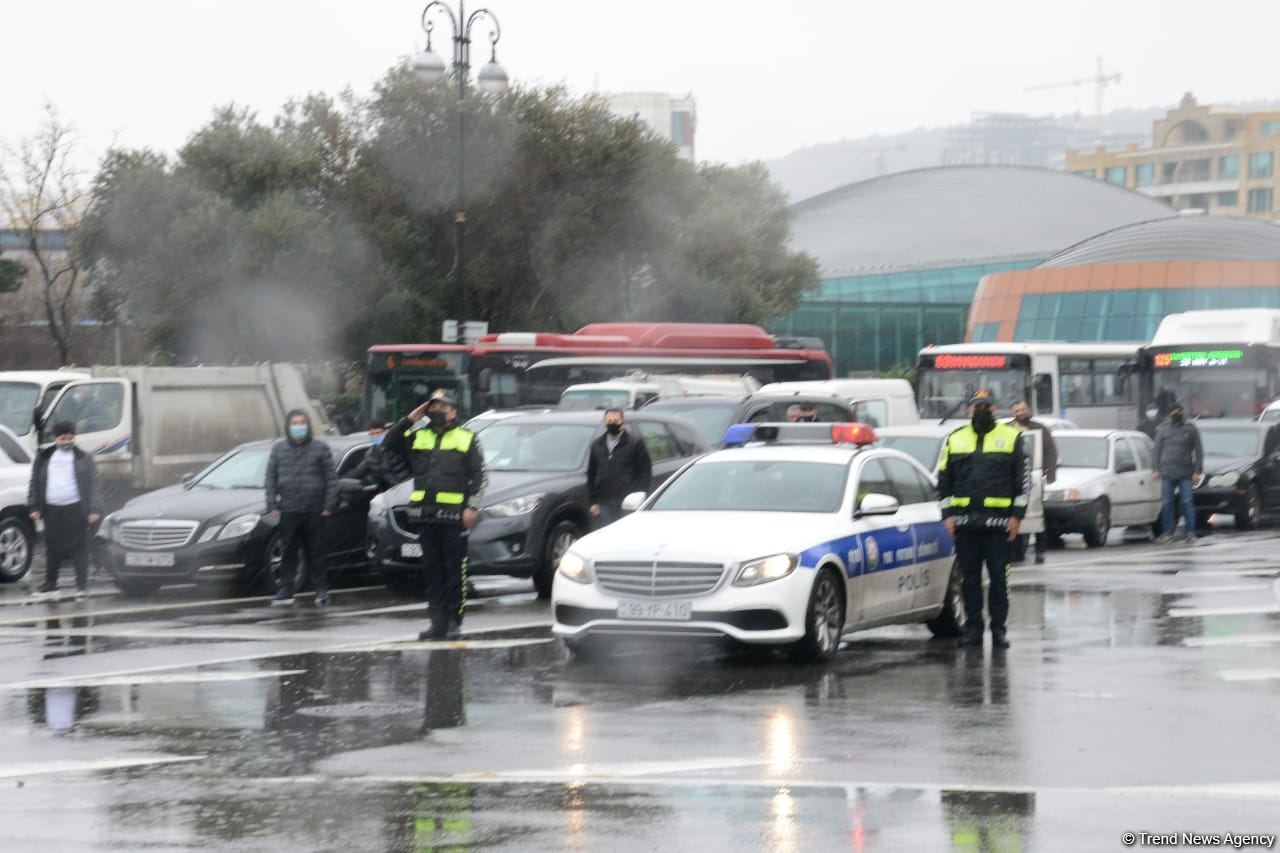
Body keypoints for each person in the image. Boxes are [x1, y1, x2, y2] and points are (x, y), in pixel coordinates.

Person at [383, 389, 486, 640]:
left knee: (455, 572)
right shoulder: (419, 436)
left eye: (443, 407)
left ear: (453, 412)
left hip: (453, 517)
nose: (437, 412)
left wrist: (471, 507)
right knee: (432, 573)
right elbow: (389, 442)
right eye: (433, 407)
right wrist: (409, 419)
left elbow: (479, 477)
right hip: (425, 516)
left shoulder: (467, 438)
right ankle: (436, 623)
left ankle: (453, 622)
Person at [936, 389, 1030, 649]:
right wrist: (947, 516)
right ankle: (973, 629)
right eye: (977, 407)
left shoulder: (1012, 437)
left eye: (986, 407)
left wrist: (1017, 517)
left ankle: (998, 630)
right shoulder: (955, 439)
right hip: (965, 526)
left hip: (999, 526)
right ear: (969, 410)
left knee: (1000, 580)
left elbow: (1022, 482)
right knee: (970, 582)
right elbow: (944, 481)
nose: (981, 411)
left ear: (995, 409)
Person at [264, 409, 337, 607]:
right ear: (288, 426)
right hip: (289, 509)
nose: (299, 426)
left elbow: (331, 479)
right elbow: (270, 477)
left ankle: (321, 589)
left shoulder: (320, 448)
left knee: (317, 551)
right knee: (288, 551)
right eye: (295, 423)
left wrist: (329, 504)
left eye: (302, 423)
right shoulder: (278, 449)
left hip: (315, 509)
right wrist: (271, 502)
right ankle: (286, 588)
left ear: (308, 425)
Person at [27, 422, 101, 600]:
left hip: (75, 508)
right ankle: (51, 584)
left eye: (70, 438)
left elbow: (94, 483)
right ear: (55, 438)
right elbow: (35, 482)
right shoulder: (44, 457)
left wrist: (94, 509)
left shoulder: (83, 457)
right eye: (62, 438)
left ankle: (81, 586)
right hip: (51, 510)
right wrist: (34, 506)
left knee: (79, 548)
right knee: (52, 548)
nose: (66, 441)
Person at [587, 408, 652, 530]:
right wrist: (592, 502)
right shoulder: (596, 444)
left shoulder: (634, 443)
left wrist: (640, 497)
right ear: (604, 422)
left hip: (628, 502)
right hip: (604, 502)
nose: (612, 423)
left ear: (623, 422)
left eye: (616, 420)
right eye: (609, 420)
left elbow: (645, 472)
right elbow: (591, 474)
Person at [1010, 399, 1057, 565]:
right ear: (1013, 413)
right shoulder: (1008, 430)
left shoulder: (1040, 429)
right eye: (1017, 411)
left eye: (1023, 409)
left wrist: (1049, 474)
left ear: (1028, 409)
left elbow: (1051, 452)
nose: (1020, 413)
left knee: (1037, 516)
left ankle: (1040, 551)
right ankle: (1016, 552)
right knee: (1016, 515)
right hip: (1014, 482)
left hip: (1035, 480)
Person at [1152, 401, 1203, 543]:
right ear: (1169, 414)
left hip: (1185, 473)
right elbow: (1156, 450)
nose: (1176, 414)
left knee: (1187, 502)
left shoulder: (1190, 429)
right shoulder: (1163, 430)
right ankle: (1167, 533)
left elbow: (1198, 451)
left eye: (1178, 412)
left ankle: (1190, 533)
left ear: (1182, 412)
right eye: (1173, 412)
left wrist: (1197, 471)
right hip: (1167, 472)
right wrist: (1155, 469)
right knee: (1167, 503)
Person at [351, 418, 411, 493]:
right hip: (390, 493)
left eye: (378, 433)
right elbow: (357, 473)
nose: (375, 436)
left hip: (409, 488)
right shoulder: (370, 456)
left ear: (386, 432)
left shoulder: (398, 447)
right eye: (372, 434)